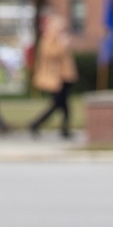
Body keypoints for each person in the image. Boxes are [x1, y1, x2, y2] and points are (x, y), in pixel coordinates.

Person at [28, 10, 78, 138]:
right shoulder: (48, 40)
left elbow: (67, 61)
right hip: (53, 78)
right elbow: (51, 55)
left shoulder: (61, 40)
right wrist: (63, 45)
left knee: (63, 105)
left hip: (64, 77)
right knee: (58, 105)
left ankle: (63, 129)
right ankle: (36, 123)